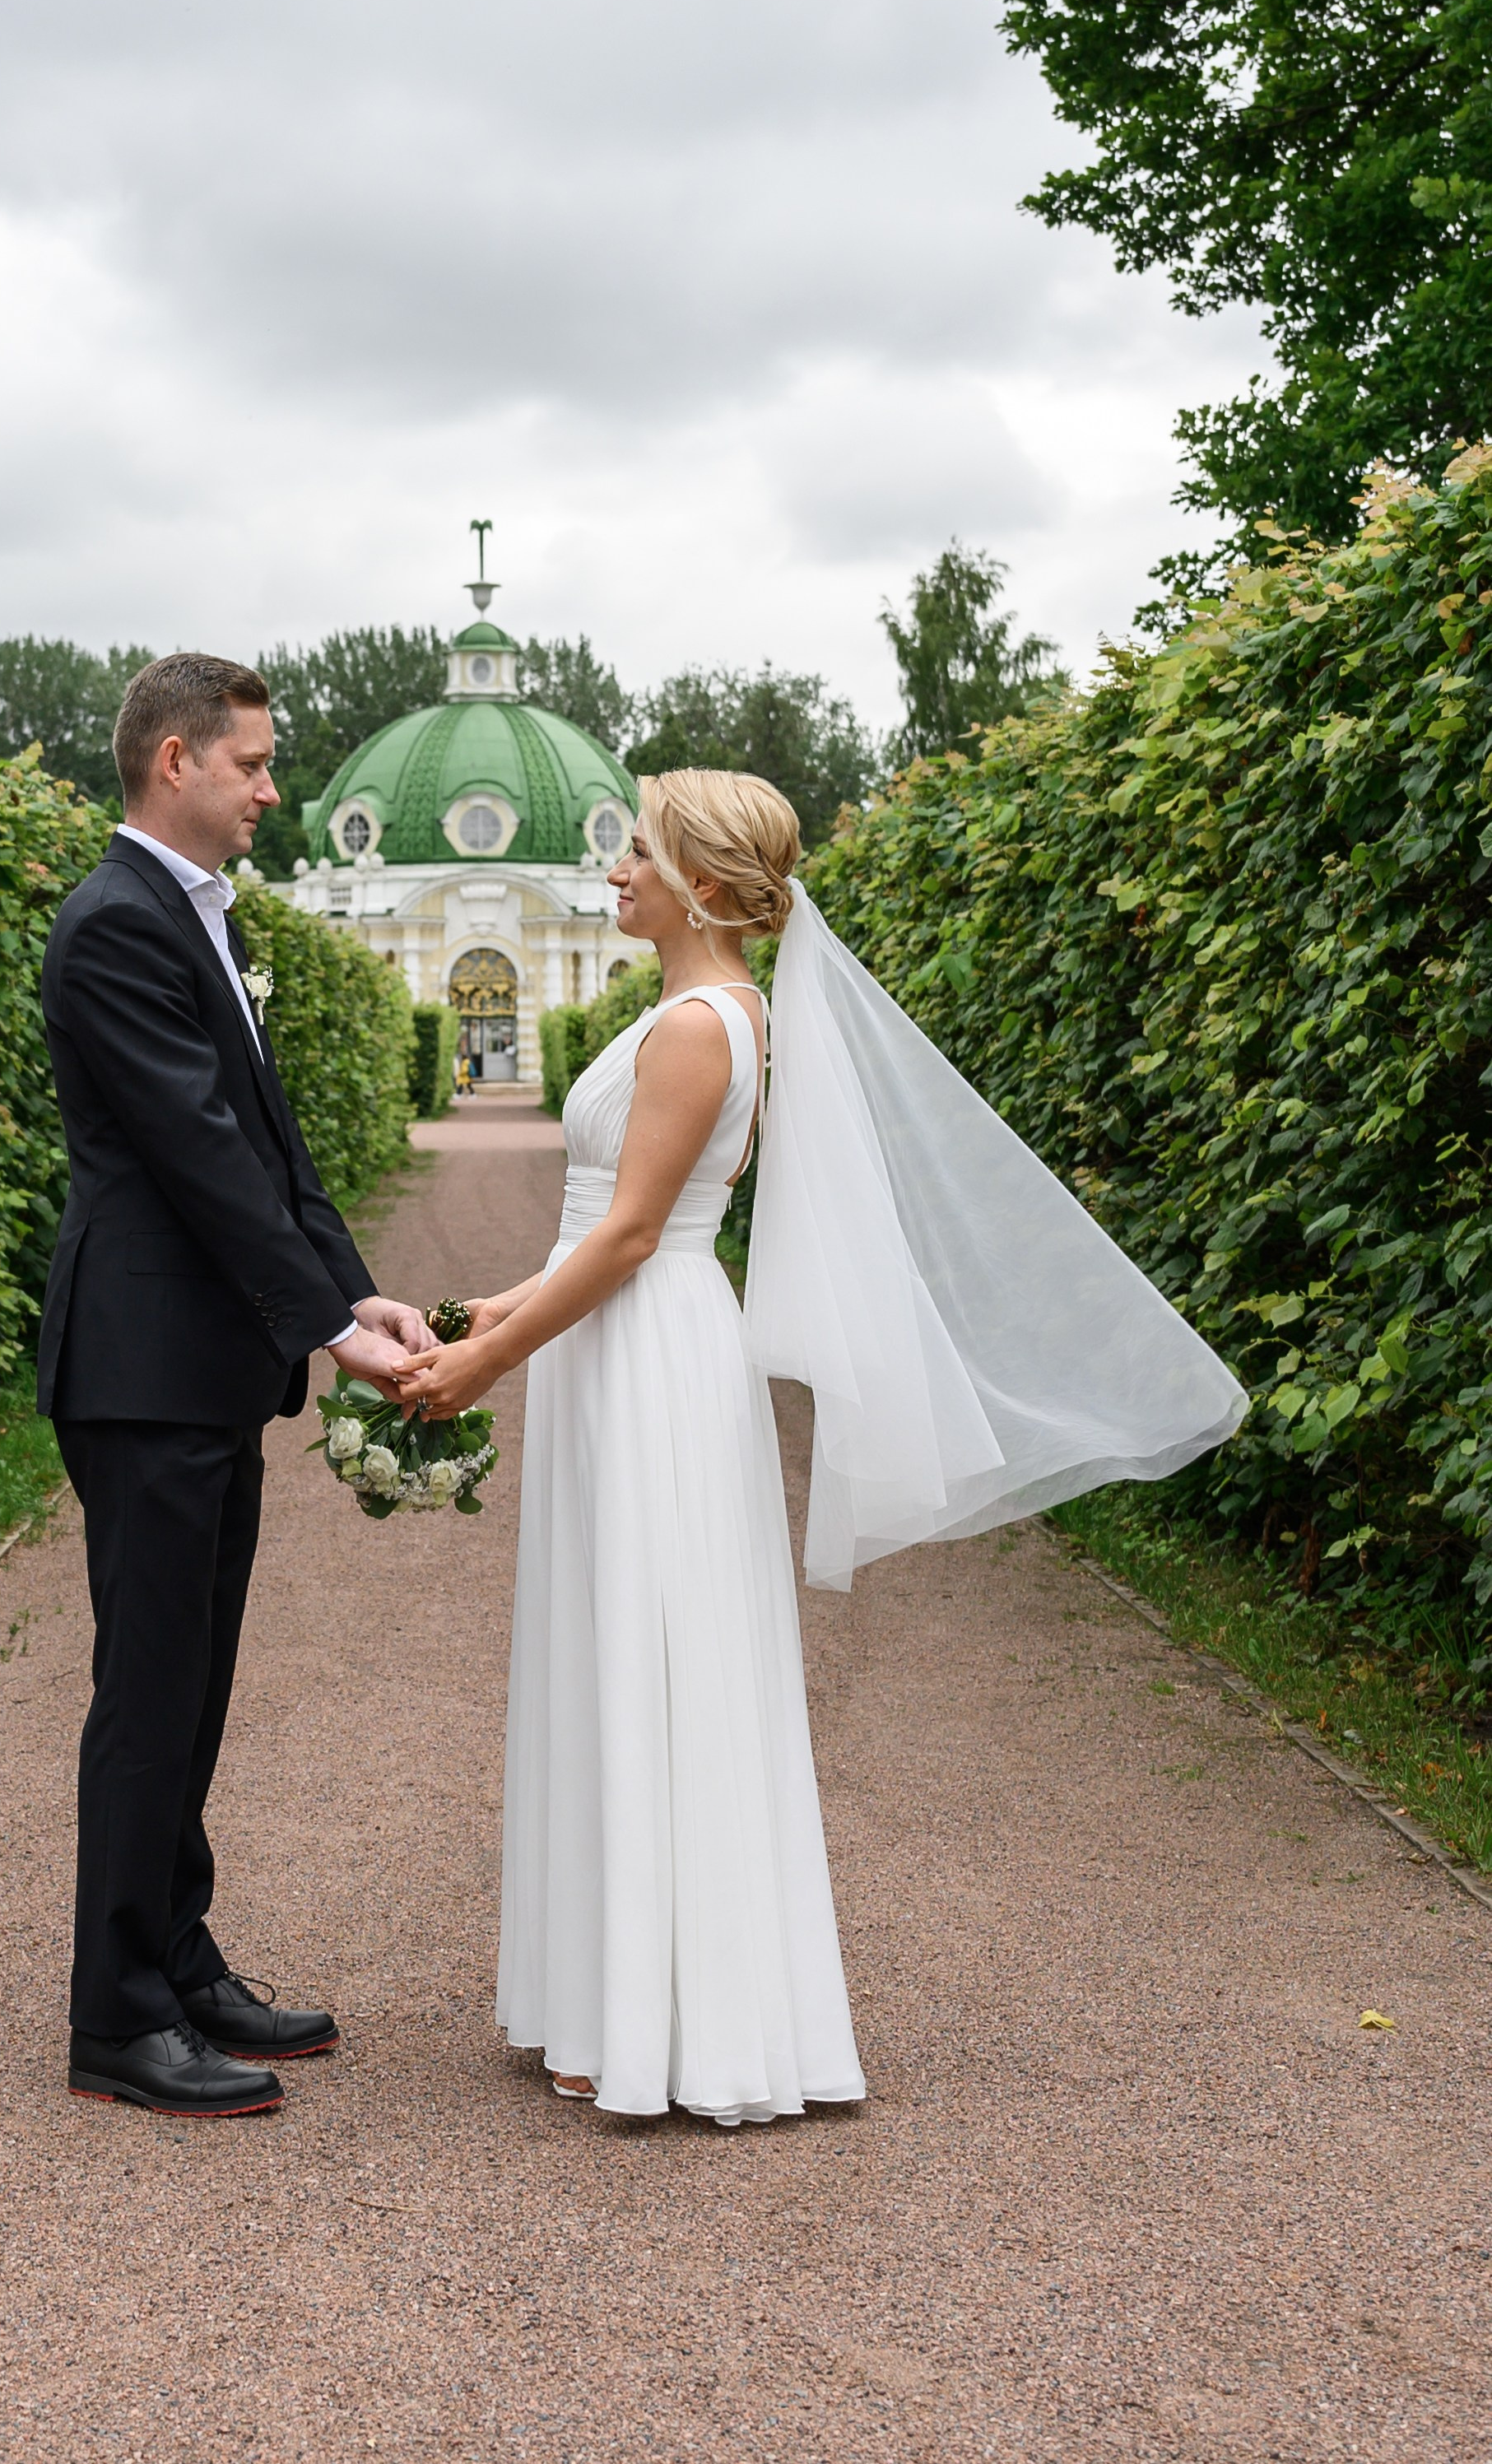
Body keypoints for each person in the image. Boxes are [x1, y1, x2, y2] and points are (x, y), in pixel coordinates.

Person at [402, 769, 1243, 2124]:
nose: (615, 868)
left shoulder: (702, 1026)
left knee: (656, 1644)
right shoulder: (701, 1012)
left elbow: (633, 1237)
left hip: (649, 1346)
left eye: (639, 851)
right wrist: (481, 1317)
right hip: (619, 1336)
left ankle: (668, 2021)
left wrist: (490, 1362)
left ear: (705, 888)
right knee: (620, 1640)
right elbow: (597, 1229)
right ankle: (615, 1995)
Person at [39, 652, 436, 2118]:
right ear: (176, 762)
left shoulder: (197, 915)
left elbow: (268, 1144)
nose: (273, 790)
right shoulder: (114, 925)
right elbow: (198, 1156)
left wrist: (352, 1288)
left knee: (192, 1684)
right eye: (253, 764)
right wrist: (328, 1329)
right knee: (148, 1693)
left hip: (203, 1366)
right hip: (143, 1365)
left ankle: (180, 1957)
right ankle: (117, 2015)